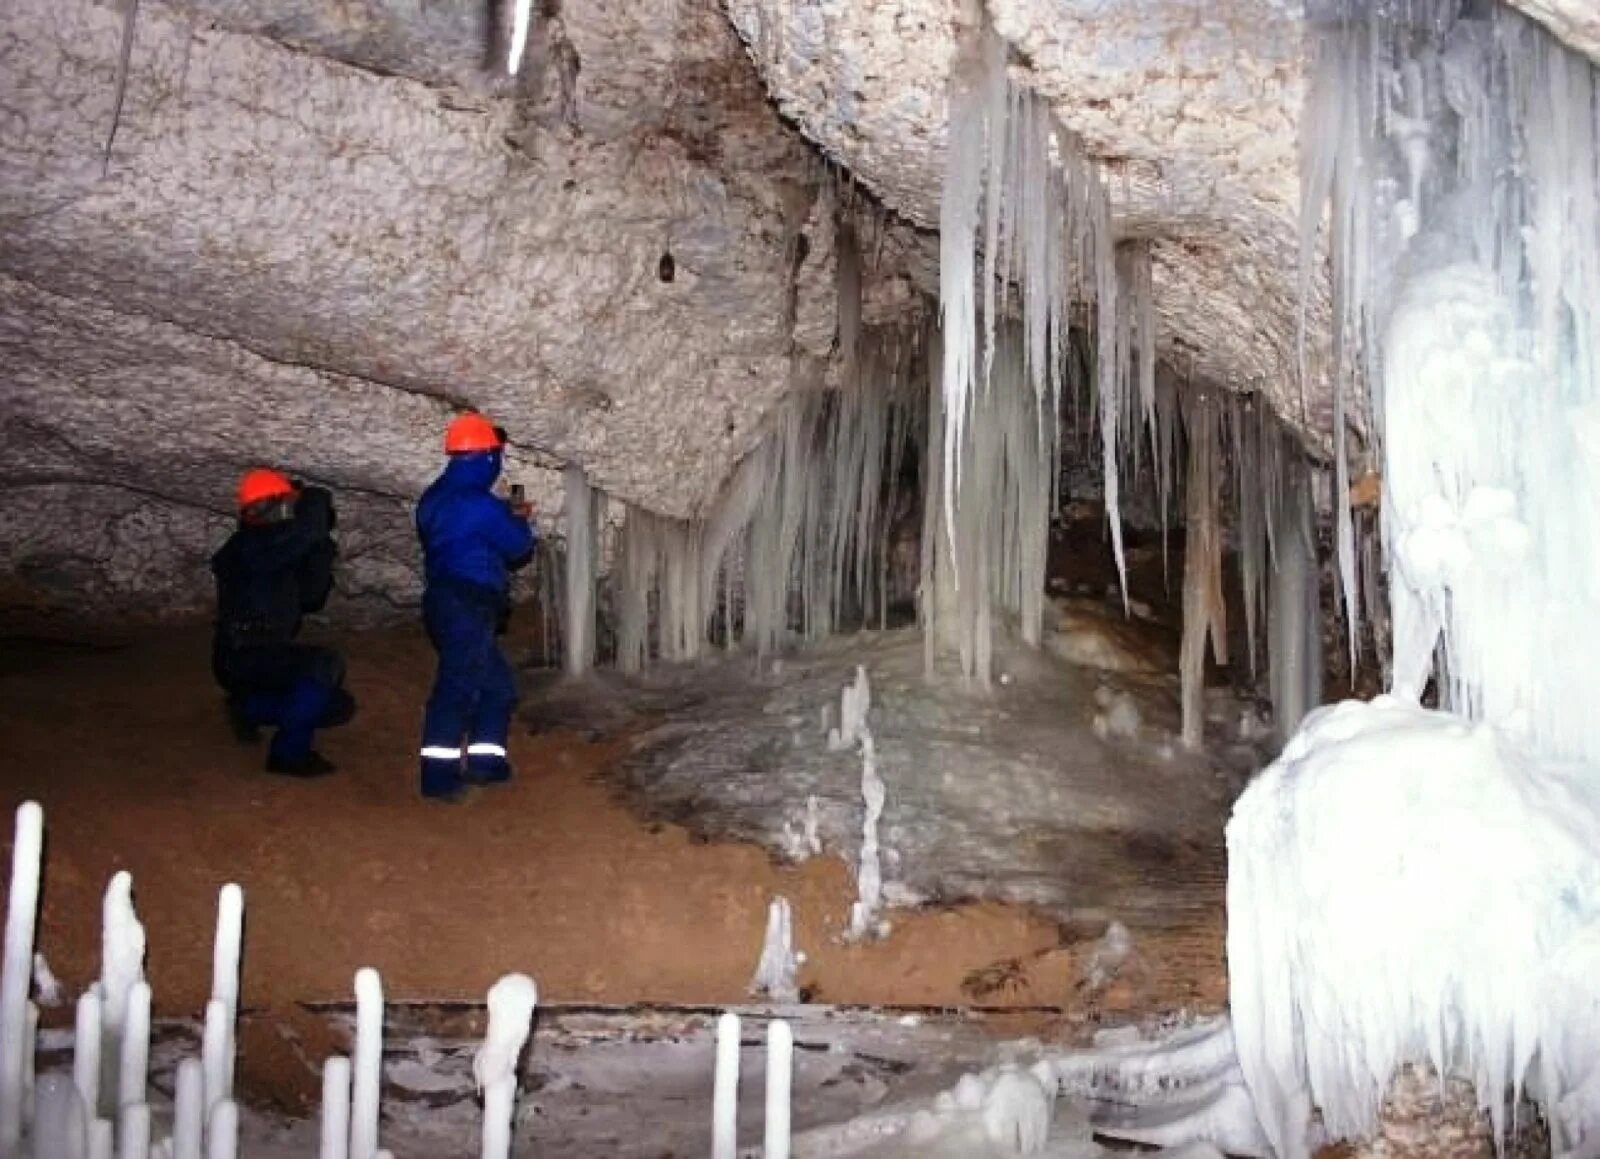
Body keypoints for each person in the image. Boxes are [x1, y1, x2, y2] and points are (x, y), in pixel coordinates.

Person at [415, 413, 538, 801]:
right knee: (458, 686)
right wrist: (517, 520)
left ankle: (487, 763)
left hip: (445, 599)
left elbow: (464, 525)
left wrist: (498, 512)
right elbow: (516, 545)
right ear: (487, 458)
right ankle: (438, 779)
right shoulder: (479, 504)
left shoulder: (435, 497)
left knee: (497, 685)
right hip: (467, 601)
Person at [211, 468, 355, 777]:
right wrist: (314, 497)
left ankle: (248, 708)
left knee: (337, 706)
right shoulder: (247, 548)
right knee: (324, 665)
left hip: (262, 653)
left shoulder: (273, 549)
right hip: (242, 656)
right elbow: (307, 531)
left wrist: (321, 551)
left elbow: (310, 597)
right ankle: (288, 756)